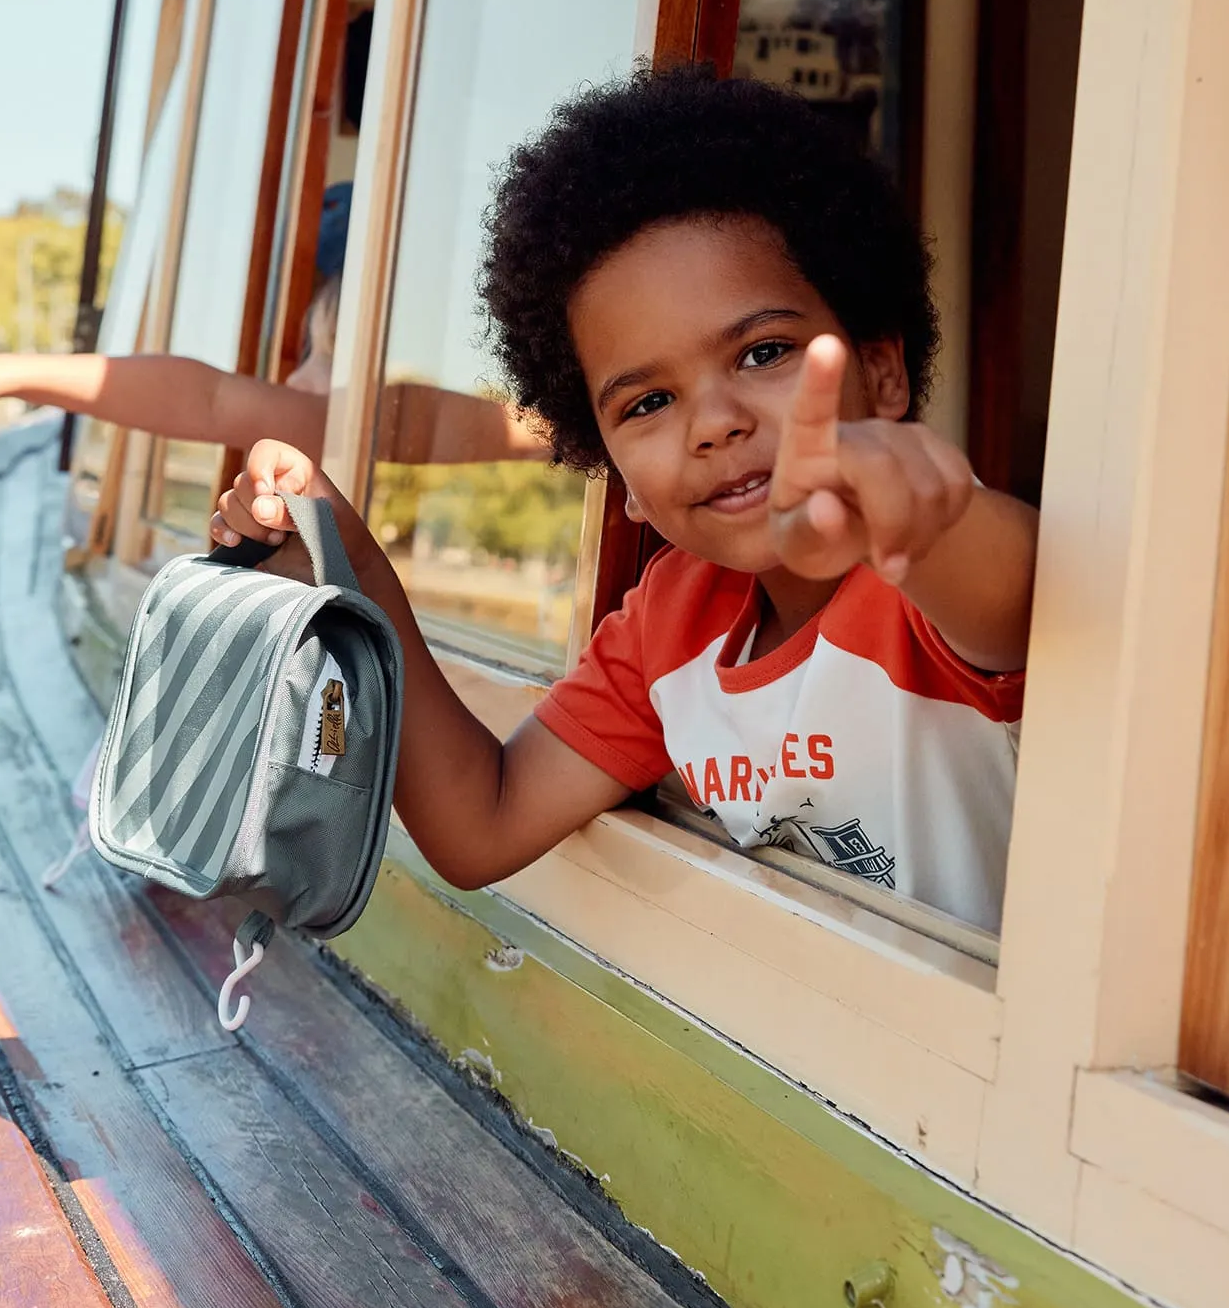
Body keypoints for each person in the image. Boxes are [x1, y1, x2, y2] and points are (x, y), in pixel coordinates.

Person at [220, 66, 1039, 929]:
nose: (714, 424)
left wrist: (904, 507)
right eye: (648, 403)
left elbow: (1009, 586)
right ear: (621, 481)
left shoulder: (932, 570)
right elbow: (481, 826)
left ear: (881, 370)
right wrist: (351, 563)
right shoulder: (671, 625)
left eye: (763, 353)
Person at [0, 183, 356, 452]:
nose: (295, 377)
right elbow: (209, 400)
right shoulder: (354, 425)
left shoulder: (373, 422)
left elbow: (210, 401)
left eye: (327, 356)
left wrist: (0, 376)